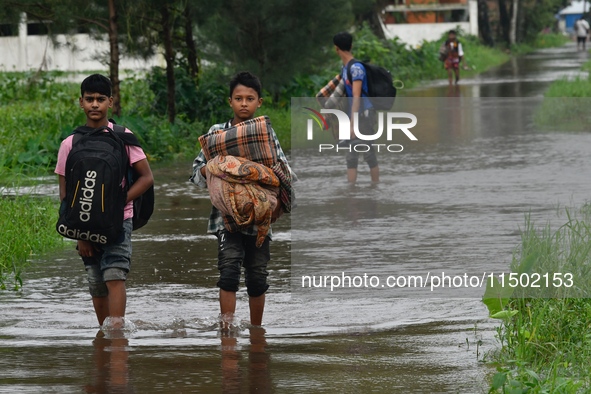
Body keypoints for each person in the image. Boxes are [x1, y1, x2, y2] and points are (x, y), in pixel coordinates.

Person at [190, 71, 293, 328]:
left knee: (257, 277)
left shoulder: (266, 134)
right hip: (224, 218)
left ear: (259, 102)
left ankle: (257, 331)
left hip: (260, 218)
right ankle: (227, 331)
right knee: (228, 272)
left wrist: (275, 200)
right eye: (238, 98)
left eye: (250, 98)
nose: (244, 103)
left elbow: (284, 173)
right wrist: (217, 165)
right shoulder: (216, 133)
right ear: (230, 102)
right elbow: (196, 173)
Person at [55, 74, 154, 331]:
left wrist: (120, 202)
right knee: (96, 281)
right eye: (89, 99)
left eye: (101, 99)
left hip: (120, 221)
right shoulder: (70, 144)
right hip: (85, 225)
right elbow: (66, 196)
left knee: (115, 274)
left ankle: (117, 337)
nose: (95, 105)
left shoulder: (123, 137)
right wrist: (80, 235)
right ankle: (104, 336)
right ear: (81, 102)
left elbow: (146, 178)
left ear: (111, 101)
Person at [333, 31, 380, 183]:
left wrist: (353, 124)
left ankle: (375, 186)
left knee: (368, 153)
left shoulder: (356, 68)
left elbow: (357, 96)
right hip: (354, 116)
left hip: (364, 115)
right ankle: (352, 193)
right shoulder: (345, 68)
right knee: (352, 155)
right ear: (351, 45)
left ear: (336, 49)